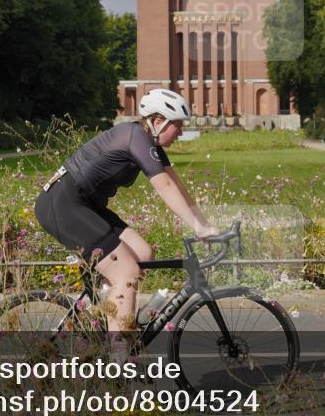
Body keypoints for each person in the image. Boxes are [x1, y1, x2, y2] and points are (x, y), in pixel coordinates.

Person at [33, 89, 218, 360]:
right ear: (157, 121)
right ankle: (118, 360)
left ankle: (112, 321)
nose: (180, 131)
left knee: (143, 254)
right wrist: (198, 228)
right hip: (63, 204)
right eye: (177, 124)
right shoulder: (136, 137)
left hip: (85, 206)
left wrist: (205, 225)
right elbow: (164, 187)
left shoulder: (147, 141)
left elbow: (176, 185)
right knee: (126, 272)